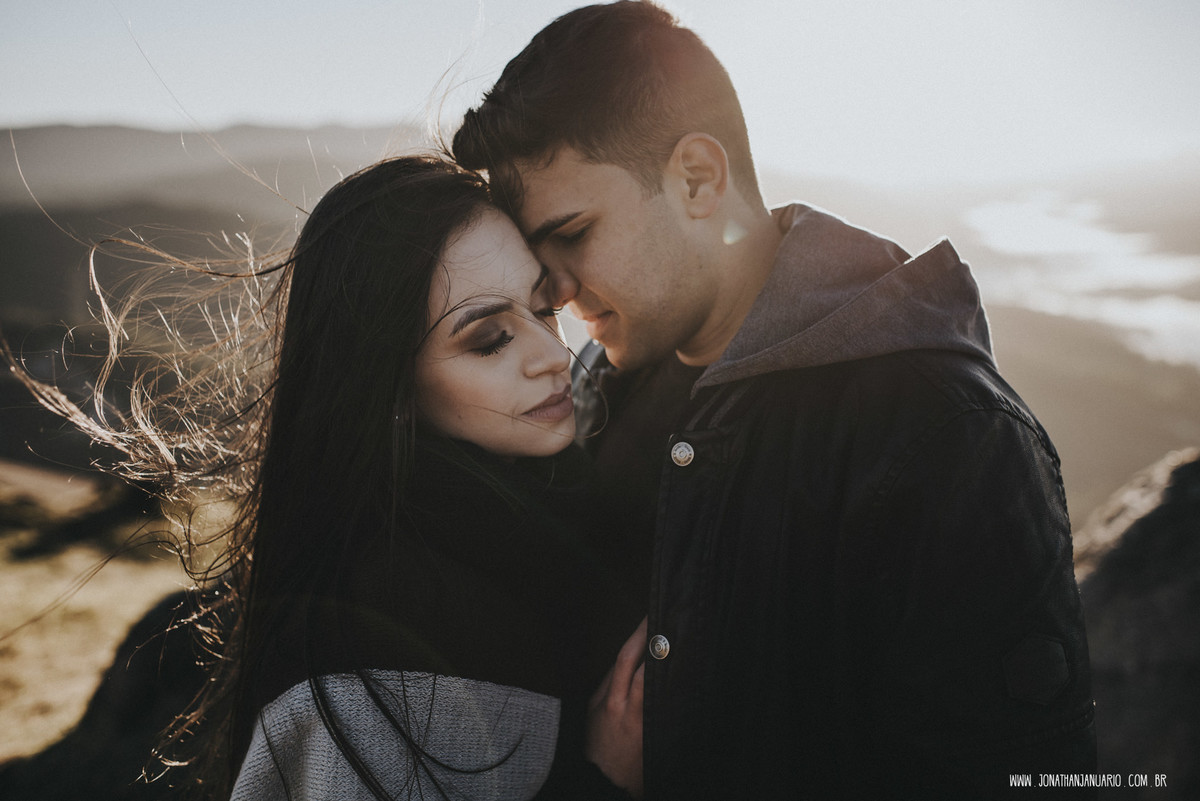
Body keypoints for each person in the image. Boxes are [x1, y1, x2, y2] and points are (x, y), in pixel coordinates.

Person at [451, 2, 1097, 797]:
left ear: (697, 178)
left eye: (573, 231)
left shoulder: (943, 432)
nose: (552, 284)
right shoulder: (602, 386)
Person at [8, 156, 645, 799]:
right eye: (489, 341)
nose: (550, 356)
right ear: (392, 385)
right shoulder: (372, 632)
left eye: (543, 309)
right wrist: (603, 780)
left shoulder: (555, 519)